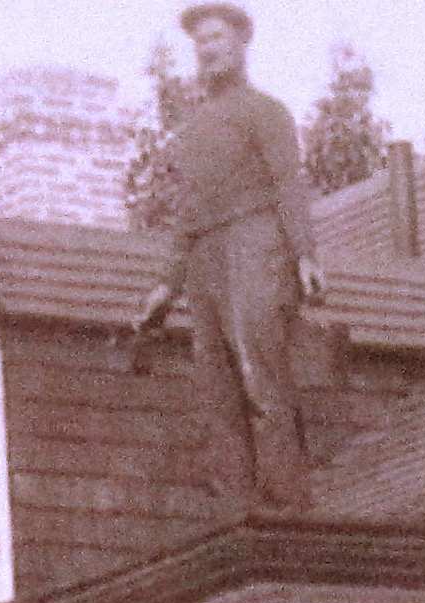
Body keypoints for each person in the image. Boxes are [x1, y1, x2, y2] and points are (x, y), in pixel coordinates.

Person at [124, 5, 325, 516]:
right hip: (204, 257)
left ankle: (287, 503)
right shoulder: (192, 128)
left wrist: (304, 255)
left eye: (216, 38)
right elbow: (186, 210)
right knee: (216, 387)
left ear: (240, 43)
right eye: (200, 43)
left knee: (259, 368)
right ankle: (236, 512)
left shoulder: (266, 111)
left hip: (254, 241)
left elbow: (288, 183)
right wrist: (165, 284)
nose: (207, 49)